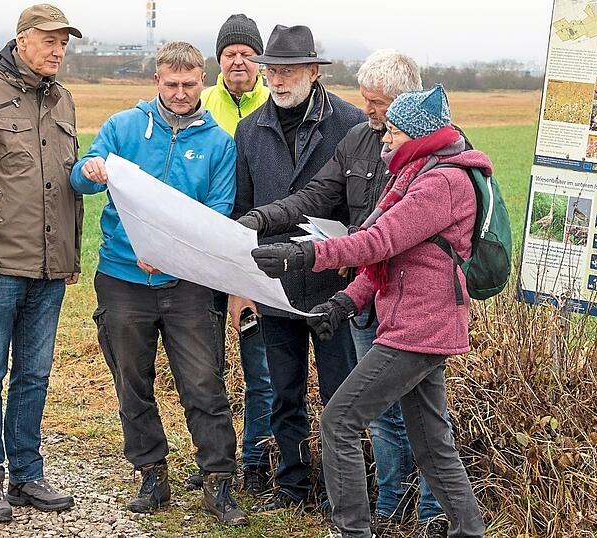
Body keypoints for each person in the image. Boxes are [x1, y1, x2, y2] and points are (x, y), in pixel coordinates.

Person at [252, 84, 487, 537]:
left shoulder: (442, 183)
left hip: (419, 329)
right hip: (413, 324)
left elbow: (378, 241)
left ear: (419, 135)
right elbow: (386, 258)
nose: (383, 140)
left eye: (393, 133)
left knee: (338, 421)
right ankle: (468, 531)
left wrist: (303, 256)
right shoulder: (415, 171)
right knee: (433, 445)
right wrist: (343, 303)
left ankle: (351, 529)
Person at [71, 41, 248, 527]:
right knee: (132, 381)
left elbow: (216, 211)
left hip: (187, 283)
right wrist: (89, 170)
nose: (180, 93)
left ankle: (218, 480)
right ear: (157, 81)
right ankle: (151, 472)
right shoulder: (124, 127)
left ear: (202, 81)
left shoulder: (219, 144)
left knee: (204, 383)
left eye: (190, 84)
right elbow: (82, 177)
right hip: (123, 277)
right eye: (171, 84)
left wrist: (171, 253)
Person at [0, 3, 83, 523]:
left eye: (64, 44)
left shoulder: (64, 99)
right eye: (49, 41)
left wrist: (71, 253)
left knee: (34, 375)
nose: (58, 51)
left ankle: (27, 474)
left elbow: (68, 182)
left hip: (51, 267)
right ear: (23, 39)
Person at [231, 23, 366, 512]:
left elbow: (362, 206)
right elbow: (243, 209)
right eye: (272, 71)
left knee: (339, 396)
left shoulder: (350, 124)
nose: (278, 80)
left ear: (313, 70)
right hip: (274, 285)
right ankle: (292, 486)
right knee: (282, 392)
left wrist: (359, 264)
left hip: (335, 284)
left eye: (289, 70)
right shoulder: (250, 130)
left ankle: (339, 492)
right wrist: (241, 283)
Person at [190, 13, 274, 495]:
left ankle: (258, 460)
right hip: (207, 257)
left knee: (259, 365)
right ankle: (214, 463)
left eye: (246, 53)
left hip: (257, 258)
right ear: (218, 61)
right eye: (229, 54)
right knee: (206, 368)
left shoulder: (278, 103)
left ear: (260, 60)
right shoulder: (201, 105)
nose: (238, 61)